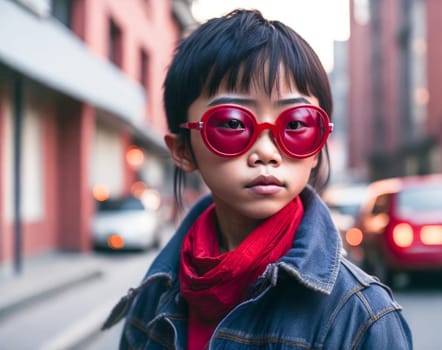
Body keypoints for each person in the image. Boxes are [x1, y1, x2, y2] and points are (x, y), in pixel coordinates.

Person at [103, 9, 413, 349]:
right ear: (182, 150)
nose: (267, 152)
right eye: (233, 123)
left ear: (317, 147)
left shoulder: (362, 316)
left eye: (295, 124)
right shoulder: (152, 299)